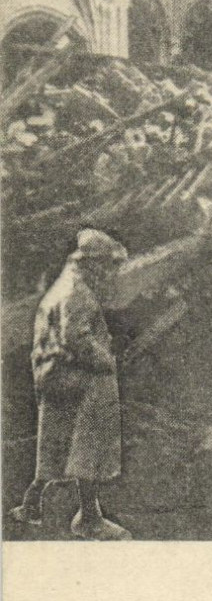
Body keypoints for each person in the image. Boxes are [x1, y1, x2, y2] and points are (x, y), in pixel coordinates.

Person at [11, 229, 132, 539]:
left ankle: (32, 504)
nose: (108, 272)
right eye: (105, 266)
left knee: (57, 442)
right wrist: (107, 360)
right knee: (90, 432)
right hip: (70, 377)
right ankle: (89, 517)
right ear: (91, 264)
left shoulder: (67, 285)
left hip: (55, 375)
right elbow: (76, 339)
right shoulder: (77, 292)